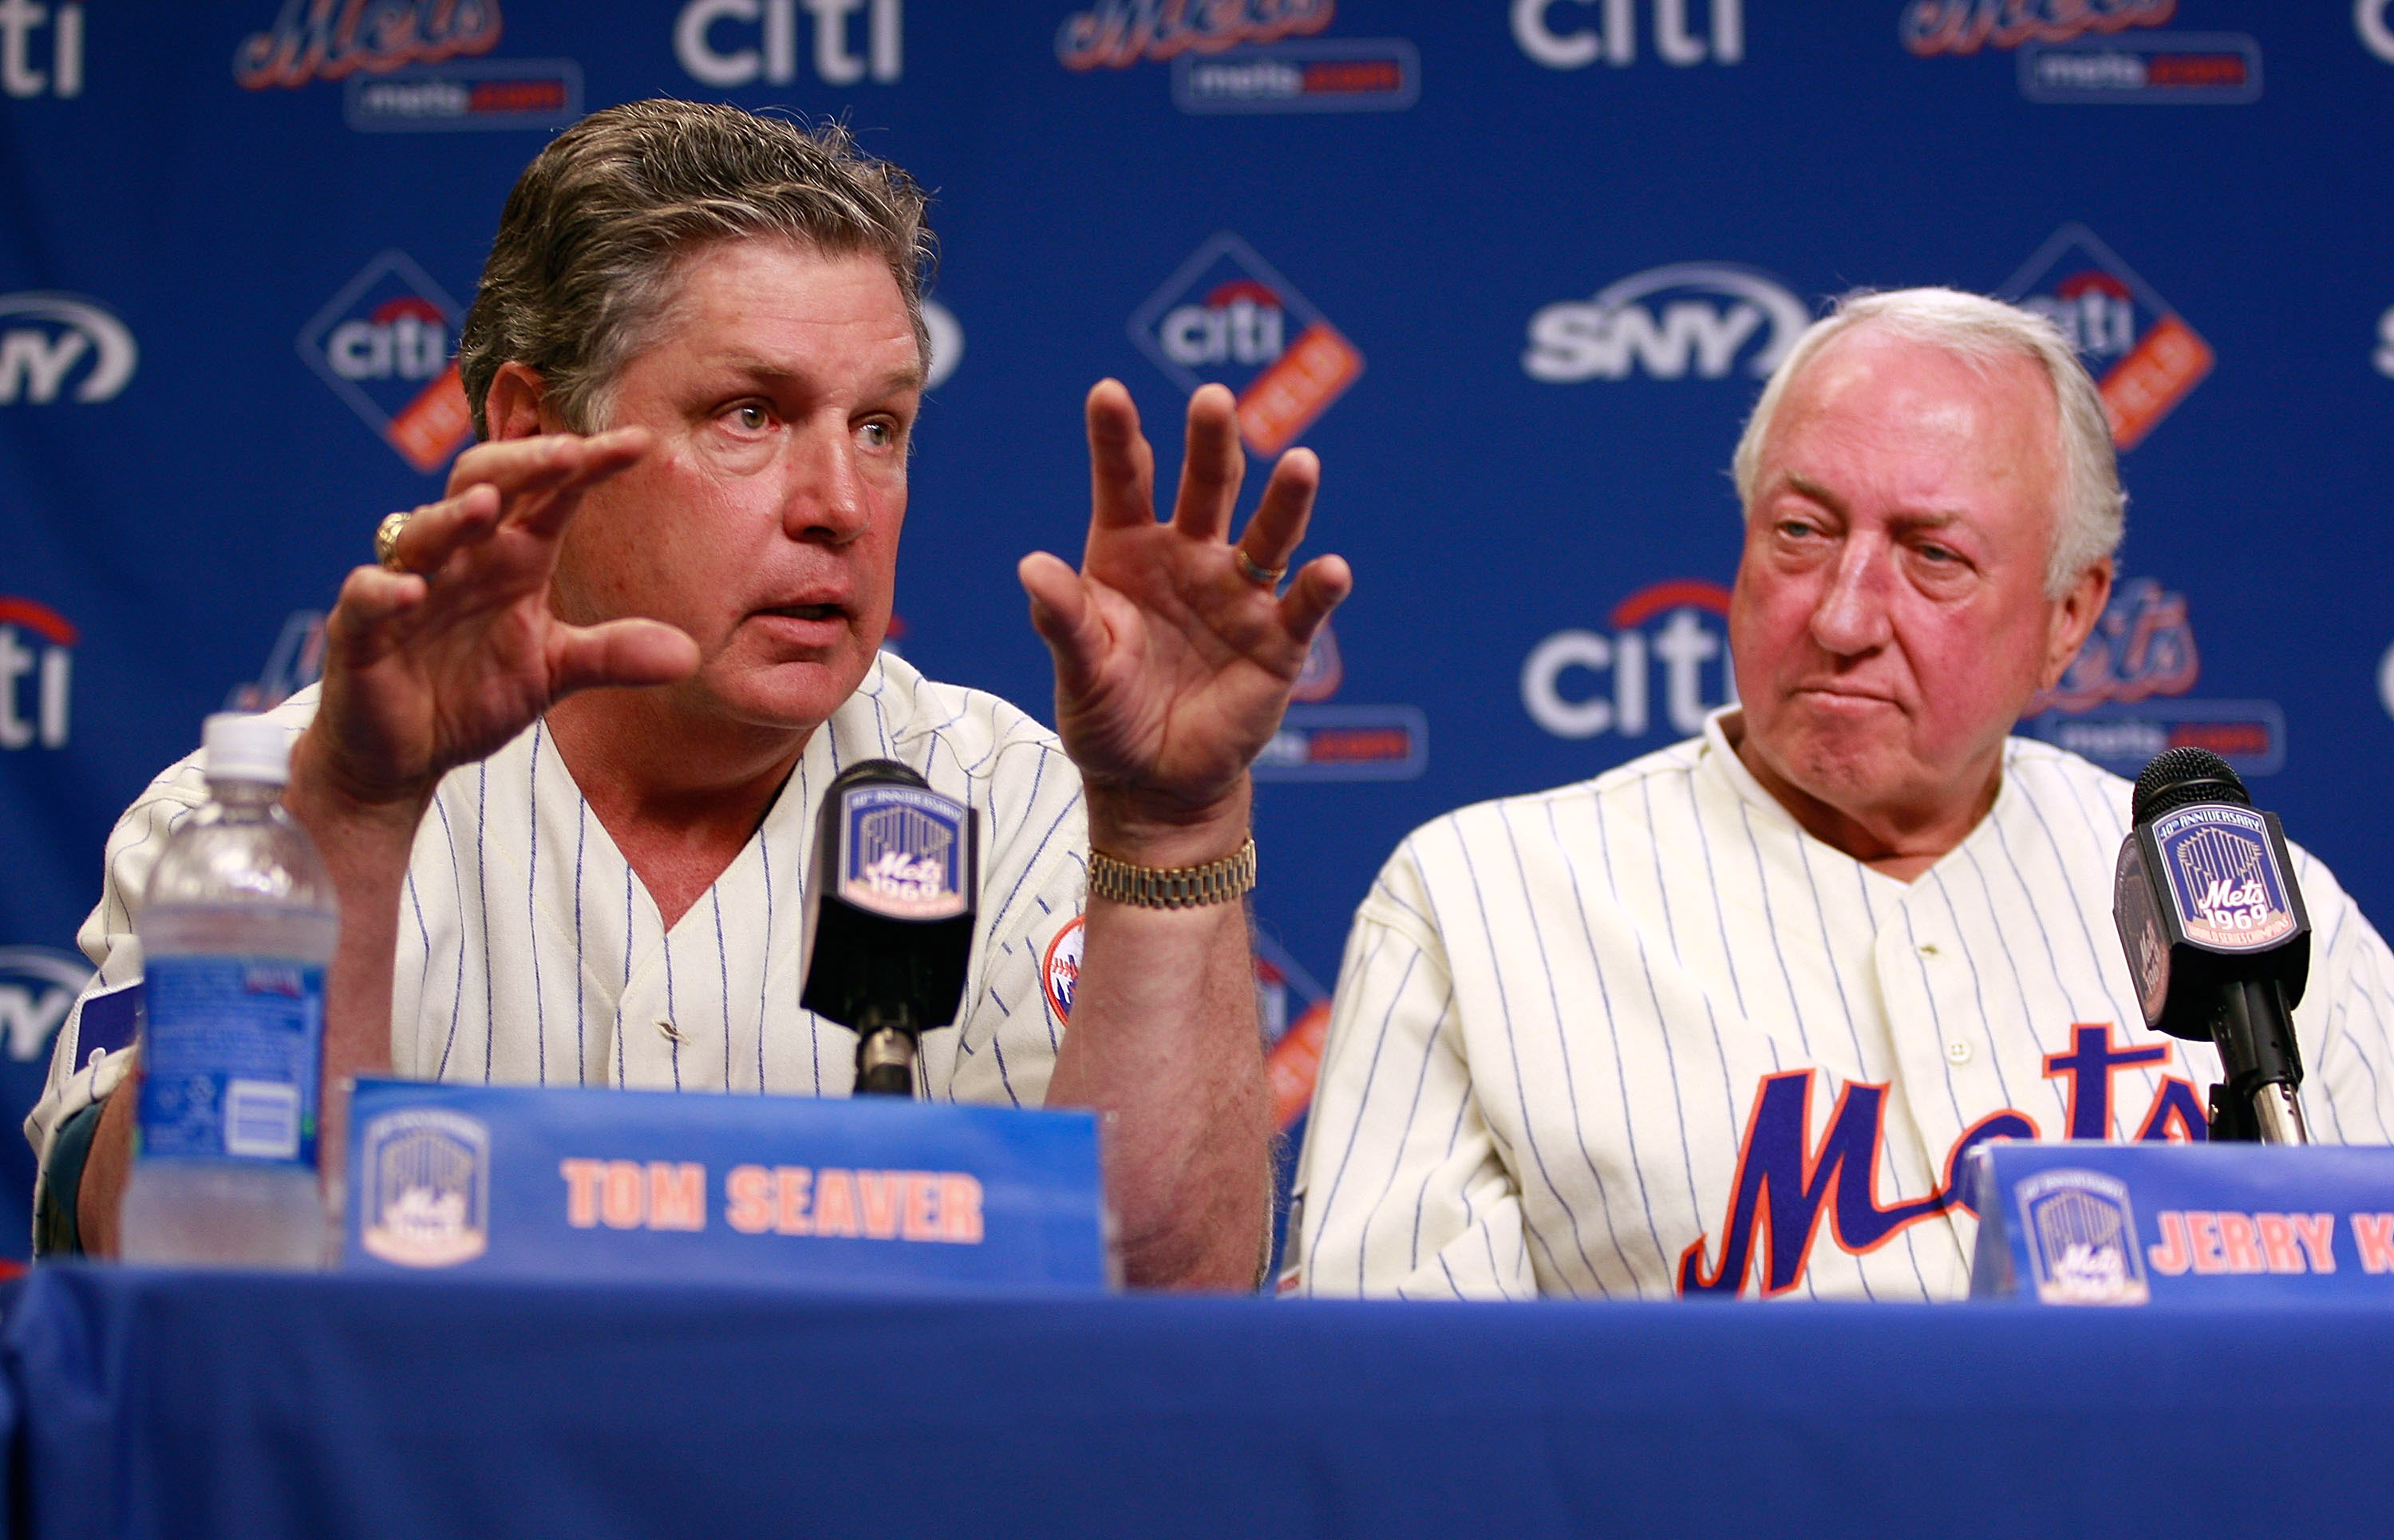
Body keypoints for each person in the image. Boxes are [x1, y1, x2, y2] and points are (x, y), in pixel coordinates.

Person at [29, 100, 1350, 1289]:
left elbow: (1163, 1309)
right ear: (534, 431)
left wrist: (1171, 831)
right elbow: (171, 1271)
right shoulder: (255, 816)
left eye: (879, 427)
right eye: (750, 415)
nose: (840, 506)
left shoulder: (1019, 807)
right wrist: (354, 823)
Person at [1283, 287, 2394, 1301]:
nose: (1844, 616)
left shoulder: (2249, 915)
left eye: (1933, 555)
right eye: (1801, 533)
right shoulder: (1479, 905)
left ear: (2069, 616)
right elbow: (1398, 1403)